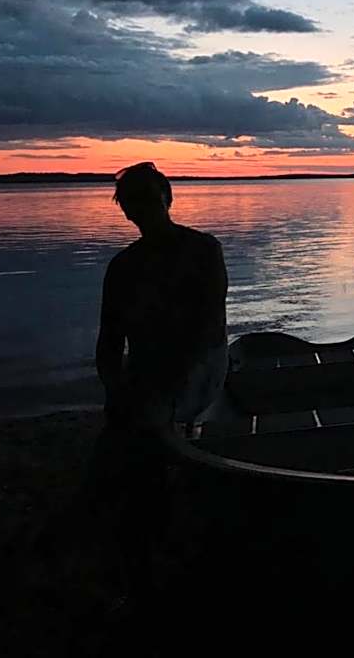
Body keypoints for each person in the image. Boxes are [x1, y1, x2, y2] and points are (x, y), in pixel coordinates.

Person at [90, 161, 228, 607]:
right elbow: (108, 345)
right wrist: (116, 388)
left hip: (199, 368)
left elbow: (209, 329)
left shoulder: (204, 250)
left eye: (150, 198)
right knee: (128, 439)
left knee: (144, 431)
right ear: (127, 212)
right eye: (134, 203)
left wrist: (168, 387)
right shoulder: (123, 268)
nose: (144, 209)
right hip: (148, 378)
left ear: (168, 198)